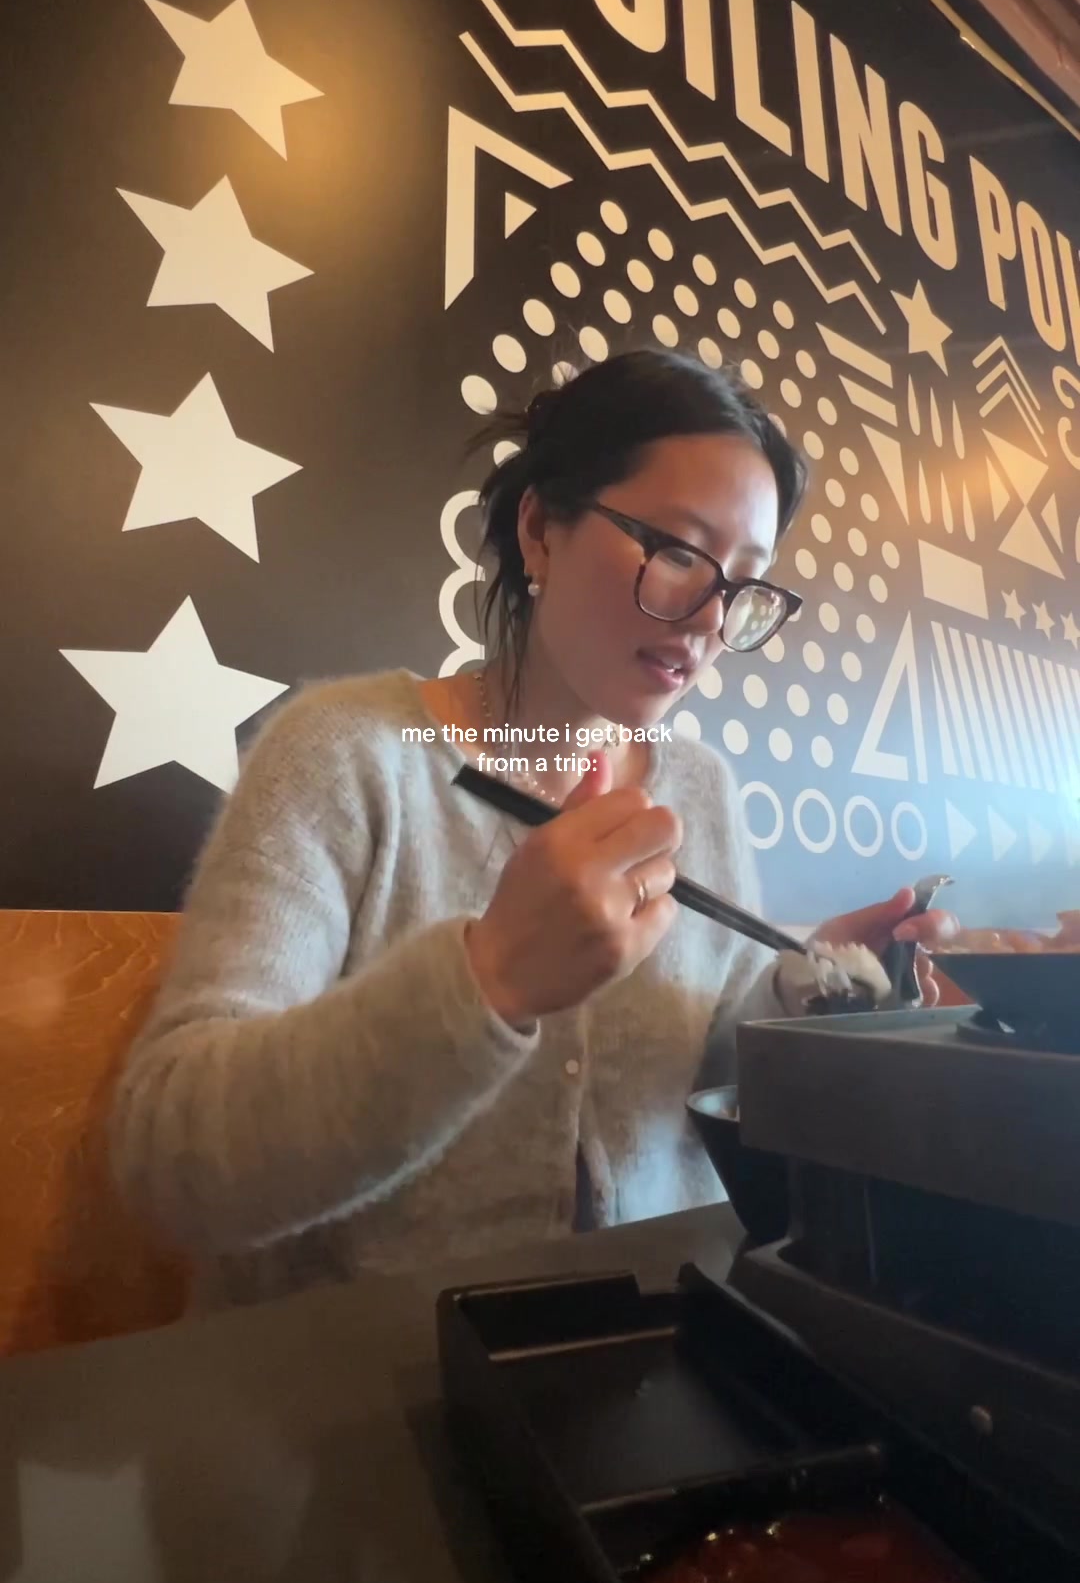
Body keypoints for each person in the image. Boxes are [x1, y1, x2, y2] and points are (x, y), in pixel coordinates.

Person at [111, 350, 956, 1310]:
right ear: (540, 530)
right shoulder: (347, 755)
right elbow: (168, 1159)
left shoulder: (700, 791)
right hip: (371, 1369)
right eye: (679, 551)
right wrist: (488, 980)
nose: (709, 621)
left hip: (663, 1340)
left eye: (744, 584)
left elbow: (704, 1075)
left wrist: (806, 995)